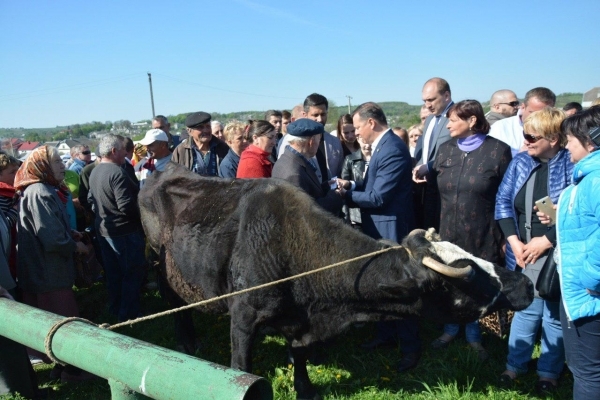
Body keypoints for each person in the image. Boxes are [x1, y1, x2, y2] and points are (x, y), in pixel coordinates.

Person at [427, 100, 512, 360]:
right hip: (448, 232)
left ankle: (475, 335)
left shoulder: (498, 151)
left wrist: (505, 236)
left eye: (453, 119)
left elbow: (506, 196)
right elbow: (432, 190)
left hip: (482, 231)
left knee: (476, 283)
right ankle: (451, 327)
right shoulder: (444, 150)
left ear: (472, 121)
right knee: (450, 280)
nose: (448, 124)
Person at [495, 107, 572, 393]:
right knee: (526, 310)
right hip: (524, 252)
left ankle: (549, 373)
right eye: (524, 135)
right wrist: (514, 241)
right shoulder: (520, 163)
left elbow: (577, 214)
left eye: (531, 136)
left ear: (553, 139)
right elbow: (503, 203)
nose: (525, 141)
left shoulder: (570, 164)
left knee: (553, 314)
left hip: (555, 255)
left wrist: (548, 239)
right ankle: (514, 366)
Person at [338, 102, 419, 372]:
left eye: (359, 127)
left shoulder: (393, 149)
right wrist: (352, 184)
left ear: (371, 123)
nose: (357, 133)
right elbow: (372, 185)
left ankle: (410, 347)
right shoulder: (384, 146)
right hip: (380, 227)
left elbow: (378, 196)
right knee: (382, 284)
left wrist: (345, 194)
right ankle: (386, 334)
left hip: (390, 229)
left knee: (398, 286)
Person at [14, 145, 89, 381]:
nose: (62, 166)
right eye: (57, 162)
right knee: (62, 319)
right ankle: (72, 371)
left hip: (45, 270)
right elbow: (52, 239)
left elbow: (51, 228)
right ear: (43, 166)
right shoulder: (40, 192)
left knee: (53, 318)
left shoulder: (43, 189)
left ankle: (61, 367)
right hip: (48, 273)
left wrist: (71, 232)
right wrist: (76, 245)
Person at [555, 106, 600, 399]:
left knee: (587, 372)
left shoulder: (595, 181)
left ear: (590, 140)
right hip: (585, 291)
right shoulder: (588, 178)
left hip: (588, 297)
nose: (566, 146)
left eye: (570, 139)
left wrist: (589, 282)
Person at [88, 135, 146, 322]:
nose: (126, 153)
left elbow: (90, 200)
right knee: (131, 273)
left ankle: (115, 308)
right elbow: (126, 206)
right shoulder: (117, 173)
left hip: (105, 230)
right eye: (122, 149)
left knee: (114, 274)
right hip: (124, 232)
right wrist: (143, 216)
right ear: (114, 151)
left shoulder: (95, 171)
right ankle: (129, 315)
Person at [272, 119, 344, 215]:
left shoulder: (288, 159)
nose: (319, 145)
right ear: (311, 142)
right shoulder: (294, 174)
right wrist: (335, 196)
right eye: (319, 140)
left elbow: (307, 192)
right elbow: (304, 214)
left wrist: (326, 186)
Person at [413, 77, 454, 231]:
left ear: (446, 96)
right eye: (425, 100)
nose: (427, 105)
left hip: (447, 190)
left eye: (431, 100)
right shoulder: (430, 120)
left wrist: (429, 167)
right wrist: (418, 168)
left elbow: (454, 152)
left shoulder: (456, 117)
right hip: (428, 188)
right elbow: (426, 151)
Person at [279, 94, 344, 182]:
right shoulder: (291, 141)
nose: (320, 119)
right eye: (315, 115)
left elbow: (340, 173)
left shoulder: (335, 142)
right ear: (304, 115)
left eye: (323, 114)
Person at [490, 87, 556, 156]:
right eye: (533, 113)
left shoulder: (558, 128)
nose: (537, 118)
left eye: (543, 115)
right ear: (523, 107)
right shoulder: (500, 128)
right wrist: (520, 156)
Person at [172, 111, 229, 176]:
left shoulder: (222, 147)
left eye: (208, 126)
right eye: (200, 127)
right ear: (190, 131)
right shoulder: (181, 151)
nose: (206, 130)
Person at [340, 137, 371, 229]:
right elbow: (344, 186)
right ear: (358, 140)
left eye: (369, 142)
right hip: (357, 212)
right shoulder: (350, 159)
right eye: (364, 142)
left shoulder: (380, 159)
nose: (367, 145)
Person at [0, 153, 20, 280]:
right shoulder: (2, 195)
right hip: (6, 252)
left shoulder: (12, 191)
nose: (17, 175)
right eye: (12, 172)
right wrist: (15, 210)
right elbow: (3, 226)